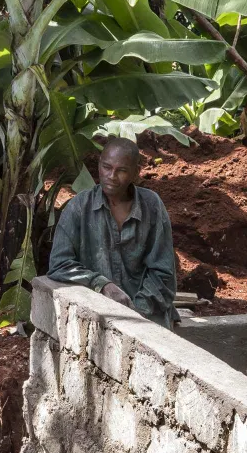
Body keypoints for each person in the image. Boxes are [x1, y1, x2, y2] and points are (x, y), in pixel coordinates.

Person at [47, 136, 178, 327]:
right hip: (98, 318)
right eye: (106, 167)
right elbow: (59, 264)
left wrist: (135, 311)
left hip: (148, 317)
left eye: (122, 170)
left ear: (136, 173)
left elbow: (163, 273)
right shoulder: (79, 207)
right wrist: (102, 285)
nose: (111, 176)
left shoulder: (152, 206)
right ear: (99, 165)